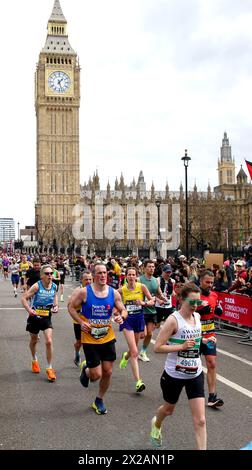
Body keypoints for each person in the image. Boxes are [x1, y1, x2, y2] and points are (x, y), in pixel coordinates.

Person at [150, 283, 211, 450]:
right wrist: (181, 347)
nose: (195, 306)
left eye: (198, 302)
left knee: (201, 420)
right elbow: (157, 347)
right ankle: (157, 423)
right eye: (192, 302)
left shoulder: (197, 317)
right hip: (174, 375)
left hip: (195, 373)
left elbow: (194, 340)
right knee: (168, 410)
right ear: (182, 300)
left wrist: (204, 340)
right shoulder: (173, 320)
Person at [68, 262, 128, 415]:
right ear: (93, 275)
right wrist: (81, 322)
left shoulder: (113, 293)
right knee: (96, 376)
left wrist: (121, 316)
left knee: (108, 372)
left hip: (107, 338)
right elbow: (71, 307)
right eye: (99, 273)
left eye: (105, 273)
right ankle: (87, 371)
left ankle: (99, 399)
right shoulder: (84, 292)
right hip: (90, 339)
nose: (102, 275)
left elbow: (123, 309)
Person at [118, 267, 154, 392]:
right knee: (135, 351)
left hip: (139, 319)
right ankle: (138, 381)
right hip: (127, 321)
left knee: (133, 349)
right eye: (129, 274)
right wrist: (116, 312)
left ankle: (125, 356)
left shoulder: (142, 287)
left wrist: (143, 303)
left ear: (136, 276)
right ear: (126, 277)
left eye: (133, 274)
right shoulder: (122, 290)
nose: (132, 277)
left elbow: (152, 301)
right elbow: (113, 300)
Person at [22, 264, 58, 382]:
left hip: (46, 317)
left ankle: (49, 368)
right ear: (42, 276)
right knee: (34, 340)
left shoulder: (54, 286)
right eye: (47, 274)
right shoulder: (36, 287)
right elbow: (24, 298)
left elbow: (55, 296)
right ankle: (34, 359)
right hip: (34, 317)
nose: (50, 276)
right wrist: (29, 310)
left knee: (49, 341)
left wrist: (56, 306)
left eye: (51, 273)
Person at [197, 270, 224, 407]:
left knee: (211, 363)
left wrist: (219, 310)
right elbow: (184, 312)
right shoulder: (194, 295)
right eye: (207, 282)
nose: (210, 285)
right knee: (189, 366)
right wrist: (199, 311)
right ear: (200, 280)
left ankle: (212, 397)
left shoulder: (214, 295)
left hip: (209, 334)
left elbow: (217, 308)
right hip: (194, 336)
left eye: (212, 282)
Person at [139, 260, 166, 362]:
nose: (152, 268)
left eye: (153, 267)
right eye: (149, 266)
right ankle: (132, 350)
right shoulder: (139, 280)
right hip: (141, 310)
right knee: (143, 334)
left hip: (151, 310)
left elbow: (158, 293)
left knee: (150, 334)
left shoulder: (156, 280)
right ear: (144, 268)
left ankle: (143, 352)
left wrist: (163, 298)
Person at [72, 270, 93, 366]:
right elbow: (71, 307)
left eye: (90, 279)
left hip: (92, 321)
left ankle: (91, 363)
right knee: (79, 342)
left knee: (91, 343)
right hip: (79, 321)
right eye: (86, 280)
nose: (88, 281)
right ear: (81, 280)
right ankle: (77, 353)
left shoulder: (95, 290)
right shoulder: (77, 291)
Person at [155, 264, 175, 329]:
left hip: (168, 305)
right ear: (163, 272)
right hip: (159, 305)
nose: (168, 274)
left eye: (169, 272)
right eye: (167, 272)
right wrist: (159, 299)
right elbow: (154, 293)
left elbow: (172, 292)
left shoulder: (172, 281)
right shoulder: (158, 280)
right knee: (157, 325)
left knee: (169, 324)